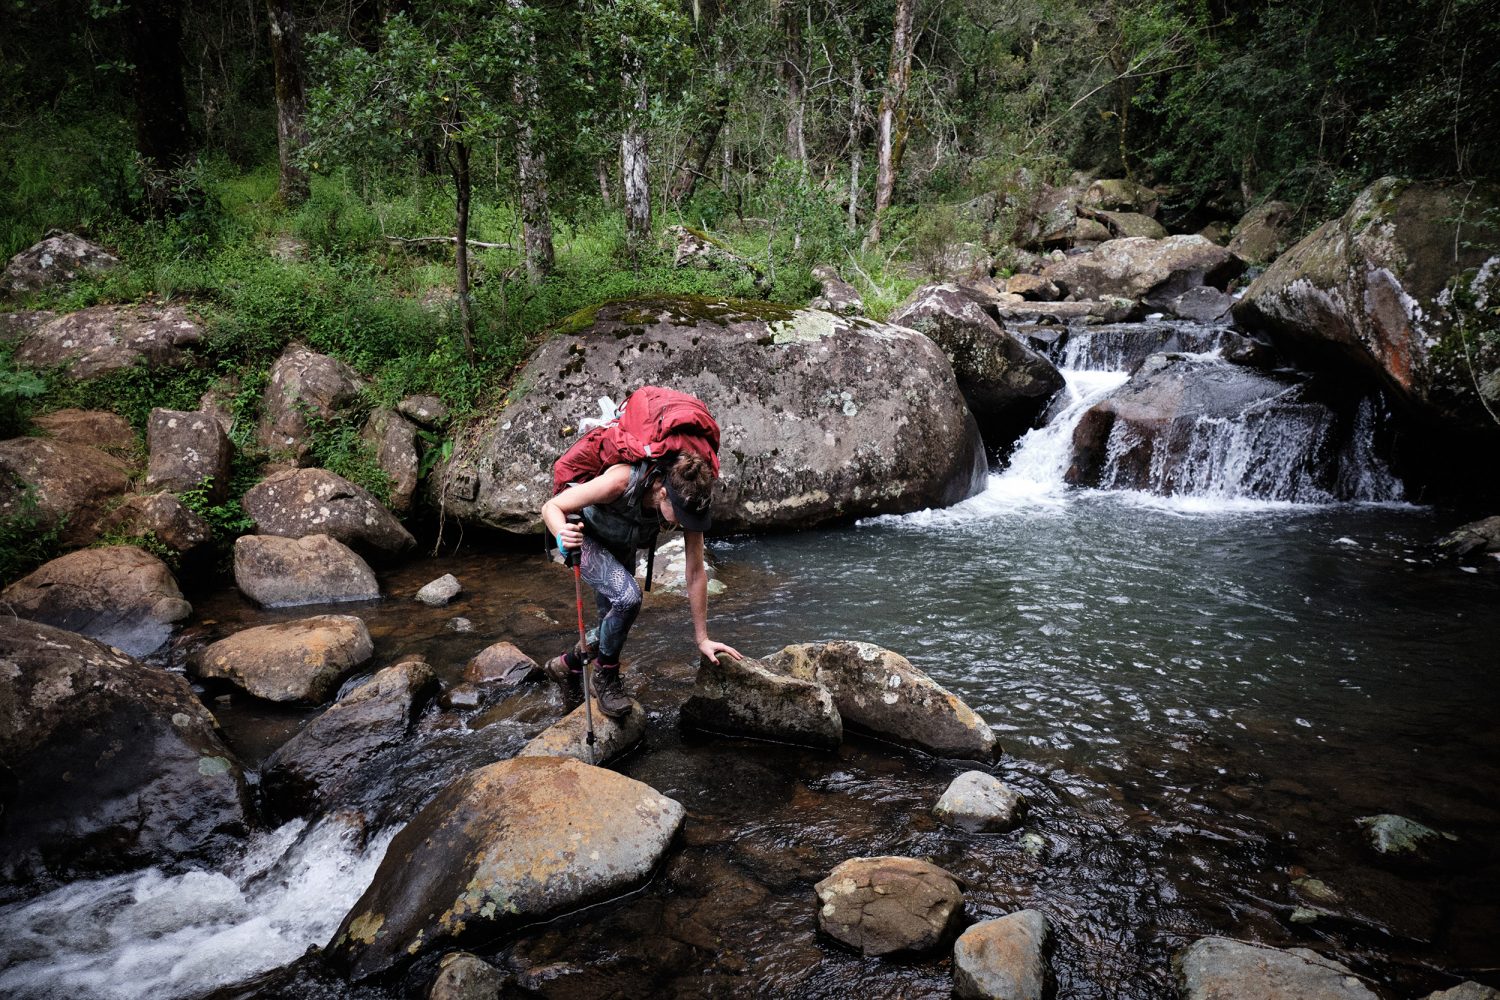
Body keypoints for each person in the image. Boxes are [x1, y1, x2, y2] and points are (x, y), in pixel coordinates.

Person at [540, 451, 743, 718]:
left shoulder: (688, 501)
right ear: (663, 493)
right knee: (628, 598)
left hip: (622, 546)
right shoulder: (620, 481)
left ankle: (567, 666)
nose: (684, 523)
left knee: (614, 623)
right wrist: (561, 534)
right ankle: (605, 676)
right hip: (584, 541)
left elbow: (695, 573)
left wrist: (702, 639)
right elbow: (551, 507)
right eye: (681, 515)